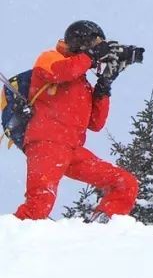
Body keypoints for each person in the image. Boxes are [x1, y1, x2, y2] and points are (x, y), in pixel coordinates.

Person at [13, 20, 139, 221]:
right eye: (96, 44)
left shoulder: (83, 83)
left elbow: (96, 123)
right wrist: (91, 56)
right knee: (38, 206)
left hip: (73, 149)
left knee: (125, 182)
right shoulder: (51, 58)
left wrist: (104, 86)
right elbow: (56, 72)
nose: (99, 51)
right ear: (82, 42)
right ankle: (11, 240)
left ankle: (100, 226)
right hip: (47, 143)